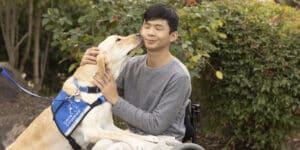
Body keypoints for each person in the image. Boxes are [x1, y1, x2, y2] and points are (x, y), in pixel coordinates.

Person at [81, 3, 191, 142]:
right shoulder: (132, 65)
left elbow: (156, 125)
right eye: (147, 26)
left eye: (158, 28)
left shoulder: (178, 76)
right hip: (133, 136)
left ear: (173, 36)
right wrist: (88, 66)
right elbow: (101, 95)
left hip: (164, 142)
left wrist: (115, 99)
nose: (150, 32)